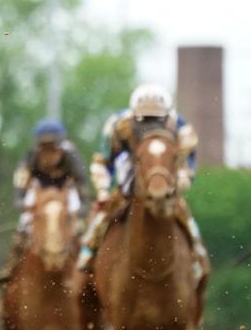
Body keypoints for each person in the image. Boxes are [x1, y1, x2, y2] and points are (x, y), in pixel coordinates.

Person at [76, 84, 208, 277]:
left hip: (165, 173)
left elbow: (187, 164)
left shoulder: (180, 127)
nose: (149, 125)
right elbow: (102, 161)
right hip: (131, 170)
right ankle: (89, 251)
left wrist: (178, 182)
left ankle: (197, 253)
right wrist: (103, 189)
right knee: (103, 214)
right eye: (145, 119)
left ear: (166, 115)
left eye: (155, 120)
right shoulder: (119, 125)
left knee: (183, 213)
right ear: (134, 114)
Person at [0, 119, 89, 286]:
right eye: (44, 149)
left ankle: (88, 270)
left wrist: (80, 210)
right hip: (38, 193)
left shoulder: (72, 156)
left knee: (80, 231)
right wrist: (23, 205)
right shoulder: (31, 156)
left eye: (53, 149)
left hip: (66, 193)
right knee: (22, 229)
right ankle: (10, 267)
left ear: (61, 148)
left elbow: (82, 186)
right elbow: (20, 187)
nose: (48, 154)